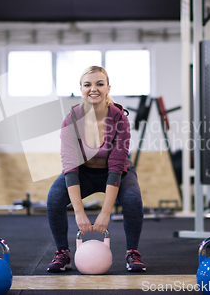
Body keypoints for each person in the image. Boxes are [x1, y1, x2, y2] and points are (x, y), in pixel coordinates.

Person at [46, 66, 146, 273]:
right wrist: (79, 213)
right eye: (87, 84)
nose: (94, 89)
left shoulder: (120, 119)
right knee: (54, 197)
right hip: (83, 174)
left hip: (117, 173)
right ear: (81, 88)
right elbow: (70, 167)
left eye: (100, 84)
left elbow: (117, 166)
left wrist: (105, 213)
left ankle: (132, 253)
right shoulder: (72, 119)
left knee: (133, 199)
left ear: (108, 88)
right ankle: (62, 253)